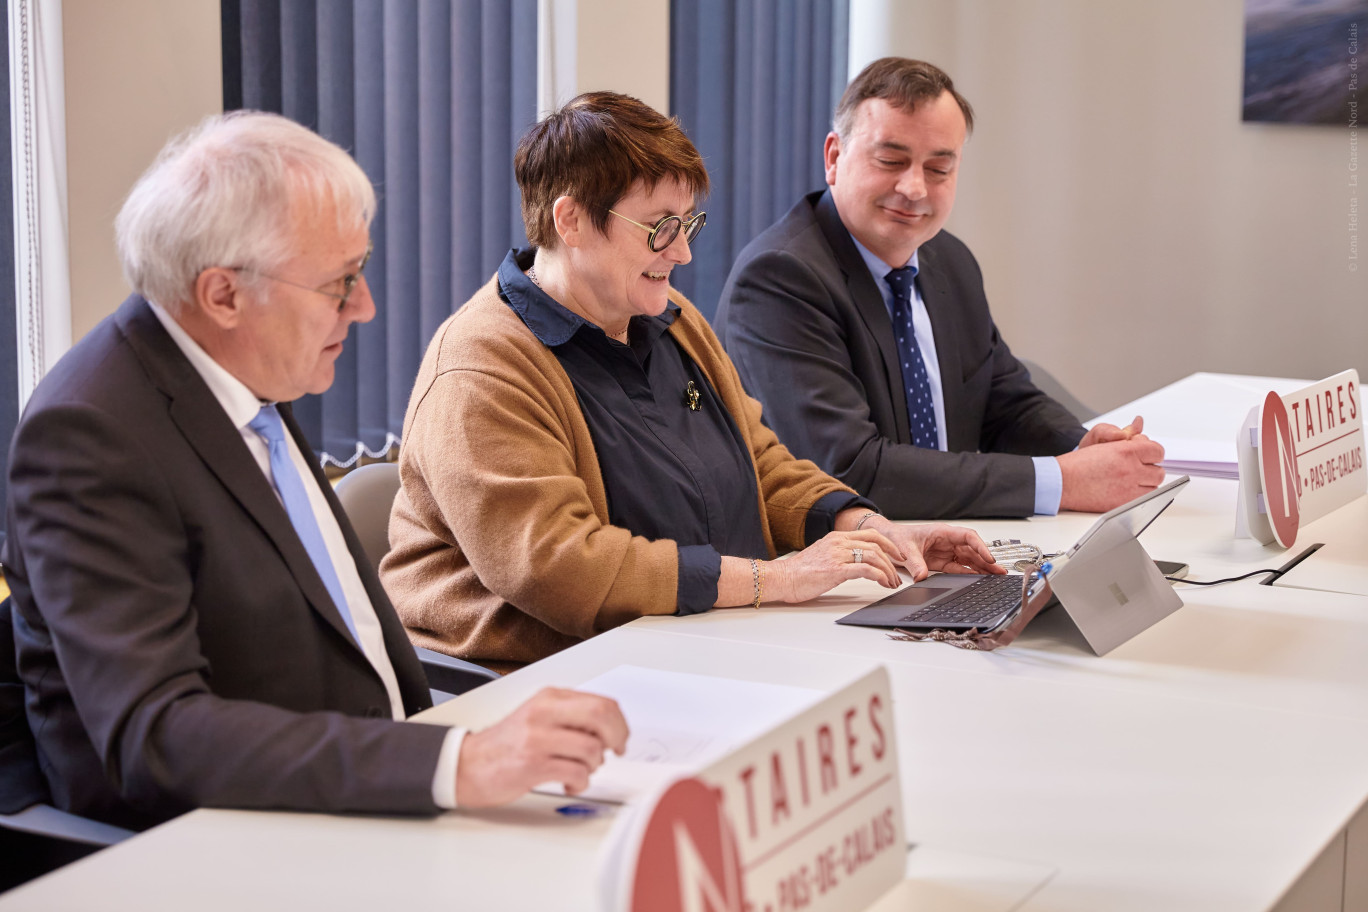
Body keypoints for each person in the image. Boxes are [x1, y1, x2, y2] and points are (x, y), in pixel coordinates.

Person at [2, 112, 628, 831]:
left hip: (365, 787)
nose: (363, 307)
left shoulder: (243, 370)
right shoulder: (89, 436)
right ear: (223, 295)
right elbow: (157, 738)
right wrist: (459, 765)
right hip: (222, 841)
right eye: (340, 282)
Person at [381, 92, 1002, 672]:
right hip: (550, 677)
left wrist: (871, 532)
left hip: (700, 640)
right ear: (569, 220)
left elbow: (761, 462)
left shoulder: (668, 318)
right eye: (659, 229)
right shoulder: (482, 369)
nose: (681, 254)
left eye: (688, 225)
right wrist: (775, 581)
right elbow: (561, 567)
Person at [714, 58, 1166, 519]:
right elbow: (852, 470)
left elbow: (1003, 401)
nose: (914, 188)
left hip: (957, 545)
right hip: (842, 563)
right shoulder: (780, 280)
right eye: (891, 160)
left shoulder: (948, 259)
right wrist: (1063, 481)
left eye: (938, 169)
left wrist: (1081, 446)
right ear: (834, 158)